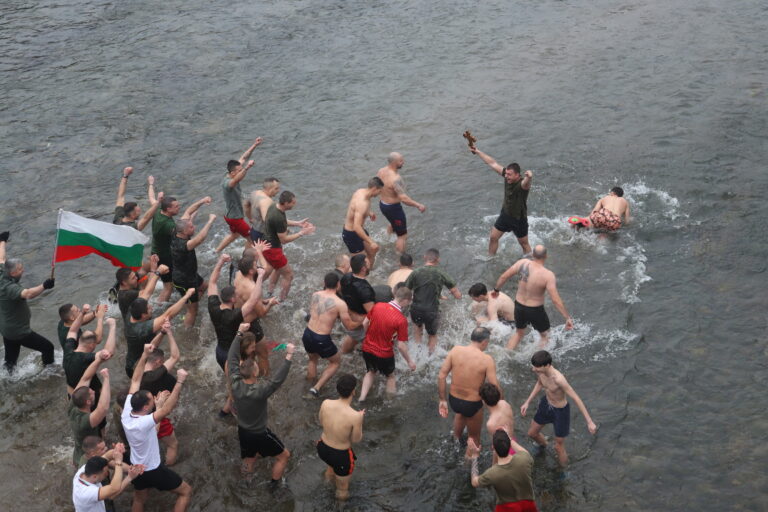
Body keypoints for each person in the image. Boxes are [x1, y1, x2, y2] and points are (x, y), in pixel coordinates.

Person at [123, 344, 192, 511]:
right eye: (151, 399)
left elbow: (135, 379)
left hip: (136, 466)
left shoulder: (126, 412)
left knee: (139, 498)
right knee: (185, 491)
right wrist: (180, 381)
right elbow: (168, 409)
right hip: (153, 469)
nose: (153, 398)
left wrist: (145, 354)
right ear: (146, 407)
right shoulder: (145, 422)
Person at [228, 325, 295, 484]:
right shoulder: (260, 390)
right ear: (254, 373)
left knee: (249, 459)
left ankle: (247, 482)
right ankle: (274, 486)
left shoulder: (235, 382)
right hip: (259, 433)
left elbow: (232, 357)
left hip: (243, 430)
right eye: (256, 366)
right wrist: (289, 355)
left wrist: (238, 333)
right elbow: (278, 380)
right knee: (284, 456)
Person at [520, 350, 597, 467]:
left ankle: (564, 470)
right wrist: (527, 402)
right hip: (546, 405)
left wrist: (589, 422)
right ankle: (544, 446)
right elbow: (540, 383)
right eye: (534, 366)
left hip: (560, 412)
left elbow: (576, 398)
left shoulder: (559, 379)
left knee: (558, 446)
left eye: (537, 368)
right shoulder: (540, 371)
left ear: (547, 365)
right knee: (532, 433)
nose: (534, 369)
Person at [492, 245, 573, 350]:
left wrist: (496, 290)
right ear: (546, 256)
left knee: (519, 333)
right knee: (545, 336)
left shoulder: (522, 263)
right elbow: (555, 300)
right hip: (535, 310)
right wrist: (567, 317)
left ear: (533, 255)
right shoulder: (548, 275)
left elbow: (504, 276)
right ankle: (538, 362)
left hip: (519, 306)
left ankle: (506, 354)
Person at [437, 327, 500, 453]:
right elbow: (494, 386)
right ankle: (470, 465)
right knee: (475, 438)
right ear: (484, 342)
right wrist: (500, 404)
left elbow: (441, 376)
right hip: (472, 404)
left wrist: (442, 399)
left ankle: (455, 443)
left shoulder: (455, 350)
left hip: (453, 400)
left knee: (460, 414)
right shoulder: (487, 359)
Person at [0, 231, 56, 372]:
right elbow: (28, 294)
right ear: (12, 273)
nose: (22, 271)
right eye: (20, 269)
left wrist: (2, 241)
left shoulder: (2, 271)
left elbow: (1, 258)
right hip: (19, 331)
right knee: (48, 347)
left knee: (11, 362)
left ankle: (7, 383)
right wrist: (44, 286)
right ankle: (50, 371)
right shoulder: (9, 288)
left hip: (7, 329)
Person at [303, 273, 362, 397]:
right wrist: (363, 320)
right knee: (335, 362)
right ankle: (316, 389)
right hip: (321, 338)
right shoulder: (340, 303)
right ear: (338, 284)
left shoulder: (315, 295)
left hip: (307, 333)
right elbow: (350, 326)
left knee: (313, 359)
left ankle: (309, 383)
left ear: (324, 283)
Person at [470, 146, 533, 256]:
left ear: (518, 175)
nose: (506, 176)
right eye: (506, 174)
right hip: (505, 215)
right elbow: (493, 163)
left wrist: (529, 177)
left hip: (519, 219)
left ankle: (532, 264)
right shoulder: (507, 176)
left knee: (524, 243)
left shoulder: (522, 185)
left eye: (509, 175)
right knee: (493, 237)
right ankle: (490, 258)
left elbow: (526, 184)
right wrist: (478, 152)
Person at [358, 286, 416, 402]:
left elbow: (364, 323)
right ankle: (390, 402)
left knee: (370, 371)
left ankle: (361, 398)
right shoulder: (401, 320)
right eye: (409, 302)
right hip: (384, 354)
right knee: (390, 376)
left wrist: (368, 337)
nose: (408, 304)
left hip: (367, 348)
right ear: (405, 300)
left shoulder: (377, 306)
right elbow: (401, 346)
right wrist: (410, 361)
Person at [152, 194, 211, 302]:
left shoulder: (159, 212)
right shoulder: (168, 226)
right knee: (168, 287)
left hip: (159, 252)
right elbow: (189, 231)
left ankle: (189, 301)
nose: (179, 207)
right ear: (168, 209)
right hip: (164, 257)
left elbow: (187, 213)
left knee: (176, 284)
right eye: (176, 206)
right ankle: (159, 310)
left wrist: (202, 201)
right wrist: (192, 220)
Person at [317, 374, 365, 500]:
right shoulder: (355, 416)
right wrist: (360, 419)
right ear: (353, 391)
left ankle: (325, 485)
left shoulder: (325, 403)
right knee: (342, 487)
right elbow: (356, 439)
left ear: (338, 389)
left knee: (330, 467)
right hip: (341, 456)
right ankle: (340, 506)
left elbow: (321, 422)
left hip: (322, 447)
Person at [124, 290, 193, 377]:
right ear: (143, 315)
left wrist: (162, 332)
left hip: (139, 357)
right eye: (149, 309)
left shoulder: (131, 313)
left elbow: (145, 294)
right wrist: (187, 296)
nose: (151, 308)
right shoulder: (140, 329)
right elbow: (168, 315)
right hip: (137, 367)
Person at [404, 248, 461, 353]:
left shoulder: (415, 272)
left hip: (416, 309)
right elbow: (456, 294)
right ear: (438, 259)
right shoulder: (441, 273)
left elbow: (405, 290)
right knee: (432, 335)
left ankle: (417, 353)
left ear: (425, 257)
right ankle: (429, 358)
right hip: (431, 311)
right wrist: (458, 296)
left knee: (417, 329)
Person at [262, 190, 316, 301]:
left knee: (277, 269)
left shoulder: (274, 206)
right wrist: (302, 233)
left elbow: (282, 221)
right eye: (292, 203)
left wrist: (298, 223)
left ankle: (269, 293)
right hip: (273, 250)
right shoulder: (278, 217)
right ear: (286, 203)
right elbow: (284, 240)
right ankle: (282, 300)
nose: (294, 205)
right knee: (289, 275)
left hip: (266, 244)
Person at [231, 247, 277, 376]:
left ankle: (248, 376)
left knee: (247, 354)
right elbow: (262, 313)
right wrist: (271, 304)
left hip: (238, 320)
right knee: (263, 354)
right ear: (251, 271)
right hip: (250, 325)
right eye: (256, 265)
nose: (258, 266)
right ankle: (265, 380)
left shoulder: (238, 274)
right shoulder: (252, 288)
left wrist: (259, 251)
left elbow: (265, 268)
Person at [467, 429, 537, 512]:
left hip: (507, 508)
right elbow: (523, 451)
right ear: (509, 444)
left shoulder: (492, 474)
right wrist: (508, 438)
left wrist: (474, 456)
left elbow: (474, 482)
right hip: (528, 504)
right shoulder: (524, 458)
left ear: (493, 447)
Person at [140, 324, 181, 466]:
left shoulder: (137, 368)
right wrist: (169, 333)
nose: (163, 365)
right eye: (162, 362)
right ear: (157, 362)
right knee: (173, 444)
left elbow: (149, 348)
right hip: (153, 416)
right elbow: (175, 356)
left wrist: (161, 333)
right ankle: (166, 469)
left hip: (140, 413)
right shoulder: (153, 376)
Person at [215, 137, 263, 252]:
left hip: (229, 215)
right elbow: (236, 180)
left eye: (241, 169)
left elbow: (244, 157)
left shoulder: (230, 172)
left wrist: (254, 145)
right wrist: (247, 168)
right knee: (252, 238)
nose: (241, 170)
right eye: (239, 170)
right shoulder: (228, 183)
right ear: (232, 173)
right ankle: (247, 259)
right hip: (235, 218)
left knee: (235, 235)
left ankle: (216, 251)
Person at [171, 214, 216, 326]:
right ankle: (186, 331)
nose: (194, 227)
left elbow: (187, 216)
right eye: (191, 227)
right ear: (183, 232)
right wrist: (210, 221)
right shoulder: (183, 245)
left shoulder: (176, 233)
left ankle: (190, 304)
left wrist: (201, 203)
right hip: (184, 280)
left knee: (204, 286)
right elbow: (200, 239)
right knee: (193, 311)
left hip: (191, 274)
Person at [377, 152, 426, 254]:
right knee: (402, 235)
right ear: (394, 163)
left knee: (393, 223)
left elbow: (377, 187)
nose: (403, 162)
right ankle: (400, 258)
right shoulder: (396, 179)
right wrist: (418, 205)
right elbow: (404, 199)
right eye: (401, 161)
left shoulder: (381, 171)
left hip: (383, 204)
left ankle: (386, 239)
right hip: (393, 208)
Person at [72, 444, 144, 512]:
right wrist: (118, 462)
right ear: (94, 476)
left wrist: (116, 451)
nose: (107, 474)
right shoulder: (86, 493)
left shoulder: (84, 470)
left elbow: (106, 457)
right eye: (105, 473)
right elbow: (113, 489)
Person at [63, 309, 117, 397]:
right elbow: (109, 353)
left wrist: (83, 312)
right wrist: (112, 326)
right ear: (92, 345)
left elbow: (72, 331)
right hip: (86, 398)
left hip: (72, 395)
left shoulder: (68, 351)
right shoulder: (85, 358)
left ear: (79, 340)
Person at [69, 363, 111, 466]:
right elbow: (103, 407)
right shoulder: (85, 421)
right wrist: (106, 379)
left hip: (78, 453)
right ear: (88, 402)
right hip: (87, 458)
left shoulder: (74, 404)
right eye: (92, 393)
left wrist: (98, 360)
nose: (93, 391)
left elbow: (85, 379)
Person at [341, 177, 383, 269]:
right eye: (379, 191)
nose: (380, 193)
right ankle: (354, 276)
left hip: (358, 231)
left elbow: (355, 208)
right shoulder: (363, 203)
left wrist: (369, 212)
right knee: (361, 264)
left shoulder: (360, 191)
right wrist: (371, 242)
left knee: (372, 252)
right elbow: (356, 227)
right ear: (374, 188)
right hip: (351, 234)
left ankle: (367, 274)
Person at [339, 254, 376, 353]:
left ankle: (343, 354)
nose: (370, 264)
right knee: (375, 343)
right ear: (363, 269)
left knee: (352, 337)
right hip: (359, 324)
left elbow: (339, 292)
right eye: (368, 263)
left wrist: (349, 310)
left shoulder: (346, 277)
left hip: (346, 319)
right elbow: (373, 314)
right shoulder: (365, 290)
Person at [113, 167, 161, 231]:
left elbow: (120, 196)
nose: (140, 212)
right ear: (132, 214)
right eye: (138, 211)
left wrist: (125, 175)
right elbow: (146, 217)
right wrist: (158, 202)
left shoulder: (117, 219)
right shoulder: (133, 228)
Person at [479, 382, 516, 463]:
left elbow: (496, 447)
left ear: (484, 401)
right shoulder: (505, 404)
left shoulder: (491, 424)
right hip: (514, 445)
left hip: (505, 454)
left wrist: (493, 466)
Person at [244, 176, 281, 244]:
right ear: (269, 189)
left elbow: (246, 205)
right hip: (263, 235)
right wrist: (282, 229)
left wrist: (250, 218)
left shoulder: (254, 193)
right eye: (276, 188)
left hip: (254, 230)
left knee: (252, 251)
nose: (278, 191)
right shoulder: (267, 201)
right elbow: (267, 220)